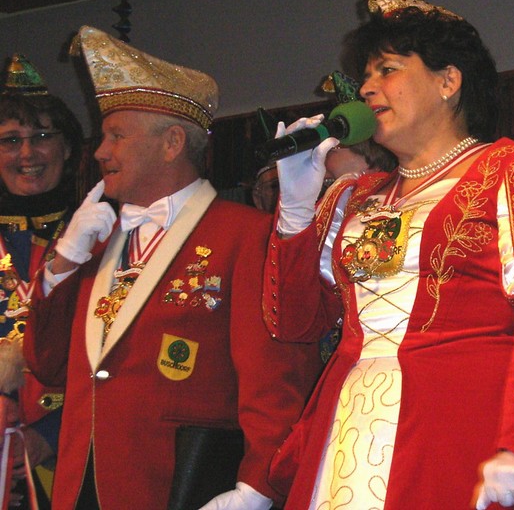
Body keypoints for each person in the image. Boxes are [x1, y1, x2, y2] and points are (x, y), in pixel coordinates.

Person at [263, 0, 514, 509]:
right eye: (366, 75)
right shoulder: (354, 198)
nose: (367, 88)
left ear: (449, 81)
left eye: (387, 70)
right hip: (348, 433)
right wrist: (294, 210)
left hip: (466, 431)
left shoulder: (513, 171)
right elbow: (294, 323)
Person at [23, 26, 320, 509]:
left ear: (172, 142)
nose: (100, 151)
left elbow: (276, 376)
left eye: (117, 136)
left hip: (179, 488)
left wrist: (259, 488)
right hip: (81, 487)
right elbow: (47, 365)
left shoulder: (245, 235)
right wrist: (62, 265)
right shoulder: (95, 243)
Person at [0, 53, 84, 508]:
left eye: (43, 137)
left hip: (72, 455)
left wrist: (49, 435)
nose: (27, 154)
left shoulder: (101, 237)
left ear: (68, 148)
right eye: (11, 140)